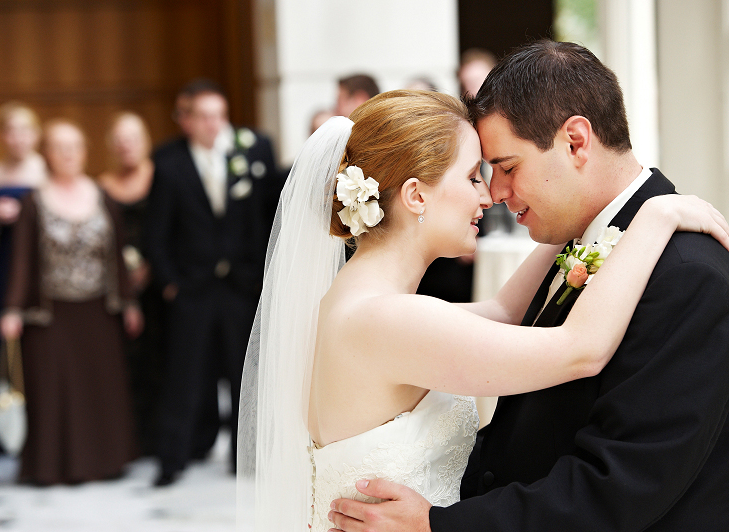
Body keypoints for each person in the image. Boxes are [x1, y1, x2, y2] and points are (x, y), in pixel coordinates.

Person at [236, 89, 729, 532]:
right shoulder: (390, 321)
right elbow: (579, 349)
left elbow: (504, 310)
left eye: (499, 171)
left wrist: (588, 214)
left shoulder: (361, 302)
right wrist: (657, 213)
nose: (489, 194)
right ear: (415, 195)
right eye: (474, 176)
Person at [145, 79, 277, 487]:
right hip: (193, 287)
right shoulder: (169, 164)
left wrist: (259, 272)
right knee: (184, 374)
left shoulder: (249, 152)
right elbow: (156, 231)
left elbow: (263, 215)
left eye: (219, 115)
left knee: (245, 373)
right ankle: (172, 458)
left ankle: (246, 458)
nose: (213, 124)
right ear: (187, 120)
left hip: (239, 283)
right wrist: (170, 283)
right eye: (203, 116)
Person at [0, 119, 143, 485]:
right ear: (46, 153)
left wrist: (128, 301)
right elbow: (22, 259)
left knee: (99, 387)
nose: (68, 154)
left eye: (75, 146)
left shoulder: (102, 195)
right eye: (60, 147)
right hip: (51, 314)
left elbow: (116, 252)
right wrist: (13, 308)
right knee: (54, 389)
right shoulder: (34, 201)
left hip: (98, 311)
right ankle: (53, 467)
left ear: (85, 151)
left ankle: (105, 462)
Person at [98, 111, 164, 457]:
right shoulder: (102, 186)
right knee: (124, 363)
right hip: (118, 287)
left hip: (159, 285)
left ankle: (160, 437)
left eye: (133, 138)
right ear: (111, 145)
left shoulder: (160, 178)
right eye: (120, 139)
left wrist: (154, 266)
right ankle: (129, 438)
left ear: (145, 141)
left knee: (161, 359)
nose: (126, 146)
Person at [0, 101, 48, 370]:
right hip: (6, 256)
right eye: (11, 131)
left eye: (24, 130)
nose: (18, 138)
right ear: (1, 135)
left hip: (41, 256)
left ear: (36, 134)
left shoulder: (47, 171)